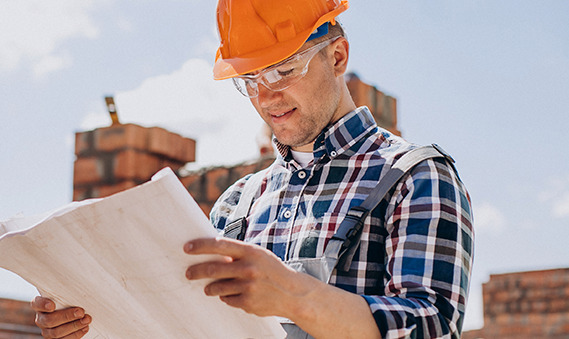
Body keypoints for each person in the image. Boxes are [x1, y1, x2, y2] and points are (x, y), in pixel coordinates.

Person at [32, 0, 474, 338]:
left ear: (337, 56)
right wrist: (101, 323)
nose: (267, 97)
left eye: (284, 69)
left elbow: (432, 326)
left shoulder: (414, 177)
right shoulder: (239, 203)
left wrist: (298, 297)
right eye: (251, 81)